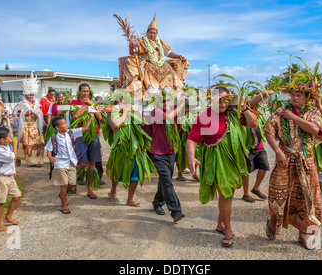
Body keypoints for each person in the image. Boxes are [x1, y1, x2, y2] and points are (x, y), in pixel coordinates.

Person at [187, 87, 257, 247]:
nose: (222, 103)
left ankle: (220, 224)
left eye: (226, 99)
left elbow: (253, 123)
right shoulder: (204, 117)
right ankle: (228, 230)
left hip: (233, 159)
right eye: (218, 99)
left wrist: (243, 106)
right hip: (216, 161)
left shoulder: (234, 114)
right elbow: (191, 139)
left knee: (229, 194)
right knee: (226, 195)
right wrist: (191, 157)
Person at [263, 86, 322, 250]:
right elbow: (268, 130)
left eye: (299, 95)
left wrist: (293, 118)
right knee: (277, 193)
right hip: (285, 158)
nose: (295, 97)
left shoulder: (312, 111)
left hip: (306, 161)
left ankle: (302, 235)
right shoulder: (282, 111)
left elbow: (314, 129)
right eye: (293, 94)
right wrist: (277, 151)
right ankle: (273, 220)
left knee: (306, 199)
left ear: (306, 98)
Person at [118, 14, 189, 94]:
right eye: (151, 33)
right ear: (147, 33)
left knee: (169, 72)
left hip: (161, 65)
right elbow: (134, 51)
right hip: (148, 65)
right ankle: (151, 94)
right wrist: (132, 45)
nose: (153, 34)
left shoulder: (160, 43)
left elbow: (168, 53)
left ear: (157, 34)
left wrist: (179, 56)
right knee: (152, 87)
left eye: (154, 33)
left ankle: (170, 94)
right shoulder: (142, 42)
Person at [105, 98, 157, 207]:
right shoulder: (111, 112)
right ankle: (113, 191)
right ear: (115, 102)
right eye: (120, 99)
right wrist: (125, 112)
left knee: (135, 175)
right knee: (117, 172)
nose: (123, 101)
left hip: (135, 149)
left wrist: (132, 112)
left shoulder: (131, 111)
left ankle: (130, 199)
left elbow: (142, 123)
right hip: (120, 148)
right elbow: (115, 125)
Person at [147, 91, 187, 223]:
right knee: (167, 181)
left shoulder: (175, 111)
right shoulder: (156, 112)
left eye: (168, 100)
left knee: (165, 181)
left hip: (171, 152)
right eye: (163, 101)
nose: (165, 103)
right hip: (158, 153)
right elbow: (169, 117)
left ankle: (157, 202)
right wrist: (181, 104)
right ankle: (176, 211)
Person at [46, 114, 94, 214]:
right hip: (59, 163)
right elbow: (49, 149)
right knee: (64, 185)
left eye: (65, 122)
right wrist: (50, 157)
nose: (66, 124)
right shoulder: (54, 138)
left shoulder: (71, 133)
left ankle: (62, 194)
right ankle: (64, 205)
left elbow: (85, 128)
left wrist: (90, 117)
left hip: (71, 162)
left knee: (72, 184)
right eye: (63, 124)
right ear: (57, 127)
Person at [241, 90, 275, 203]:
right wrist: (265, 93)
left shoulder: (256, 111)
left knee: (264, 166)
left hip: (259, 146)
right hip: (247, 147)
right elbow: (251, 102)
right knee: (246, 171)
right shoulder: (244, 109)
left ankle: (256, 188)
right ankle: (245, 194)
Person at [71, 83, 103, 199]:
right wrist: (85, 105)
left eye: (87, 91)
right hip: (80, 135)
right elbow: (75, 116)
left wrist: (92, 104)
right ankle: (73, 181)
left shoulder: (93, 103)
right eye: (84, 91)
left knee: (92, 164)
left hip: (93, 135)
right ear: (79, 92)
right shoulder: (75, 103)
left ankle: (90, 190)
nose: (86, 93)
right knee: (81, 163)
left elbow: (100, 118)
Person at [12, 73, 44, 167]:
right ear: (25, 95)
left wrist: (36, 114)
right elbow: (15, 113)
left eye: (32, 95)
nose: (30, 96)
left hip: (34, 127)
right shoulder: (21, 104)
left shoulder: (37, 104)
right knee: (24, 144)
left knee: (37, 144)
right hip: (25, 127)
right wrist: (24, 113)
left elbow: (40, 114)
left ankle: (35, 161)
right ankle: (19, 158)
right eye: (29, 95)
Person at [0, 127, 21, 231]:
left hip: (9, 177)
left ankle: (8, 217)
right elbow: (12, 157)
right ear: (2, 140)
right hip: (2, 178)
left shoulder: (5, 146)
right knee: (1, 201)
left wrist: (13, 170)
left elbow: (10, 162)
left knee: (17, 195)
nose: (11, 138)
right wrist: (15, 146)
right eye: (9, 137)